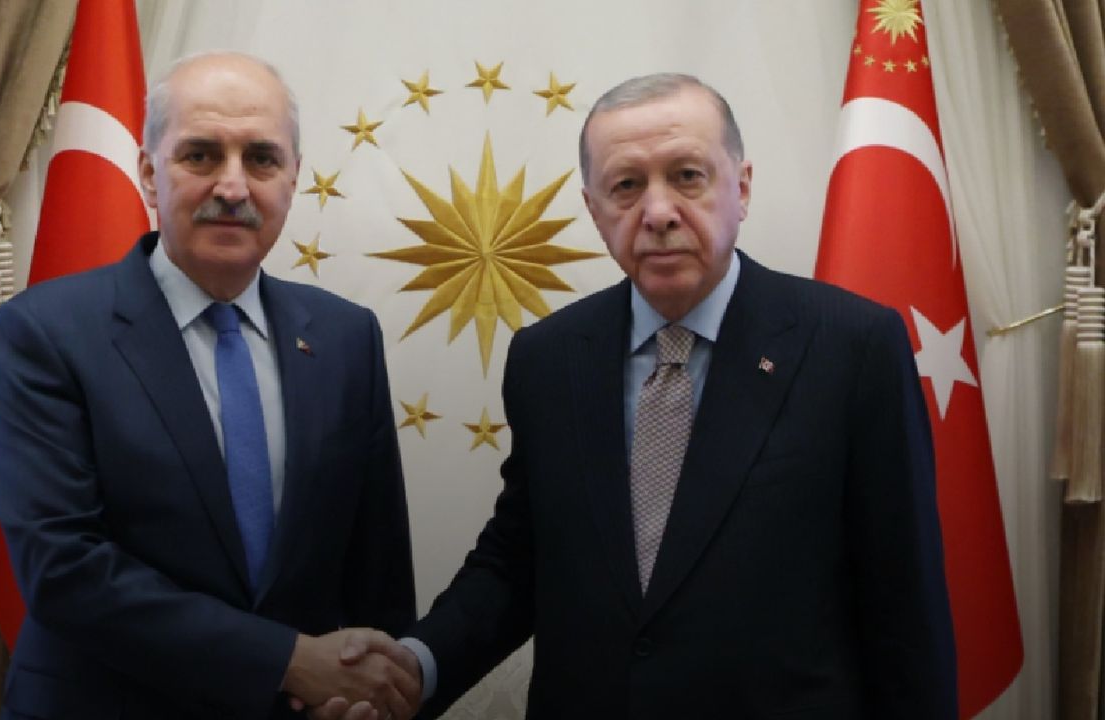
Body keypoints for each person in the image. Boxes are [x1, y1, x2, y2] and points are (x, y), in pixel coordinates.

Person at [339, 73, 958, 719]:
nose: (658, 212)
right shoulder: (548, 359)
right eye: (627, 185)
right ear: (594, 209)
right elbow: (521, 558)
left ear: (742, 187)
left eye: (687, 176)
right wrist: (416, 666)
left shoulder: (852, 347)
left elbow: (904, 607)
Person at [0, 51, 418, 720]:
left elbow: (378, 572)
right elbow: (62, 568)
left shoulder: (345, 337)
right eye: (200, 155)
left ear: (294, 177)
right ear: (148, 173)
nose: (233, 186)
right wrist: (286, 661)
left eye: (262, 159)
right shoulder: (46, 332)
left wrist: (372, 690)